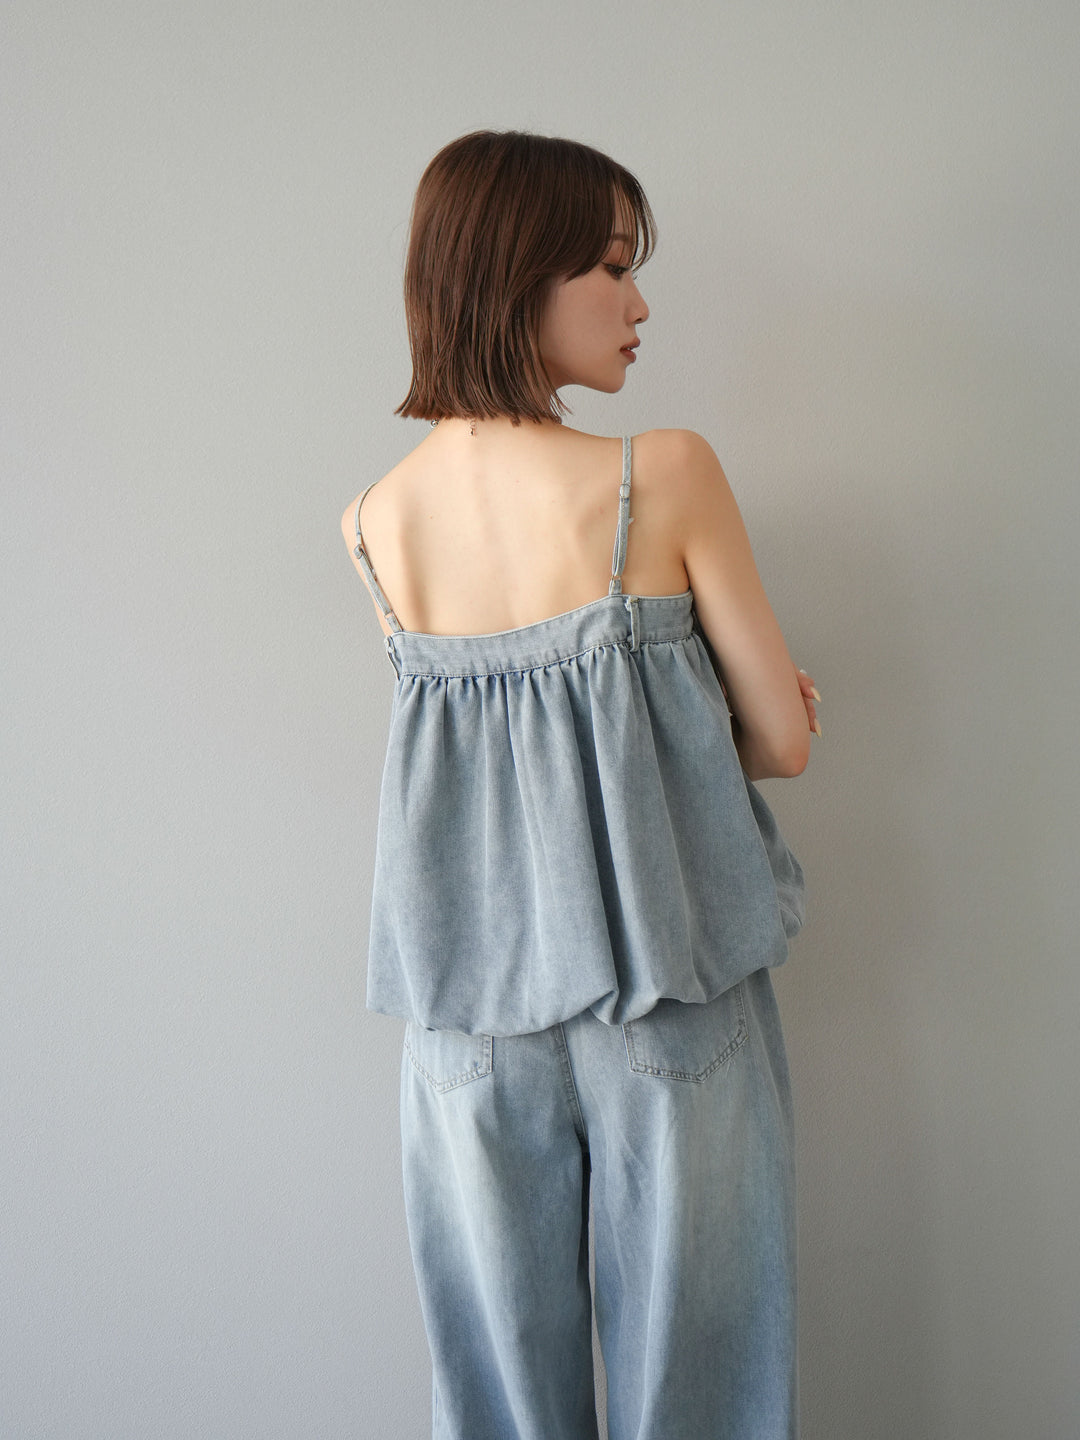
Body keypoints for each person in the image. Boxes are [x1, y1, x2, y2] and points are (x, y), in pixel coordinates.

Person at [341, 130, 820, 1440]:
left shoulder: (374, 523)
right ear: (517, 274)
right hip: (668, 985)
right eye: (612, 267)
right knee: (705, 1392)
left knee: (496, 1397)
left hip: (467, 1023)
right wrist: (721, 714)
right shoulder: (660, 474)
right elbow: (782, 740)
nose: (639, 301)